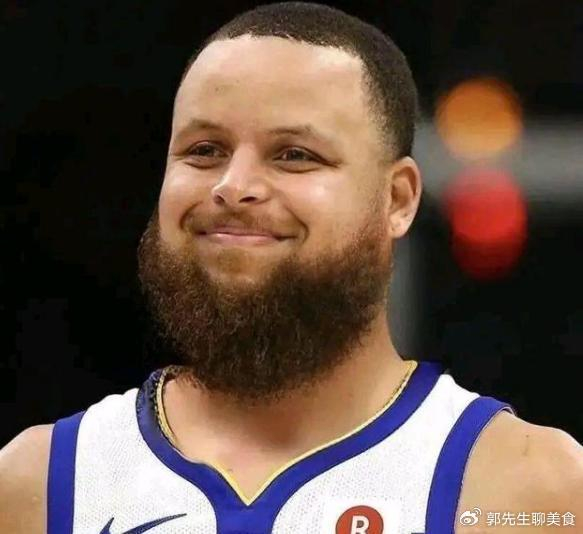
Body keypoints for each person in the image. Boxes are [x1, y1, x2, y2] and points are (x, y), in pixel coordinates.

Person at [1, 3, 582, 533]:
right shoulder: (37, 484)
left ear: (398, 199)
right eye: (204, 150)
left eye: (294, 155)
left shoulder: (528, 487)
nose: (233, 187)